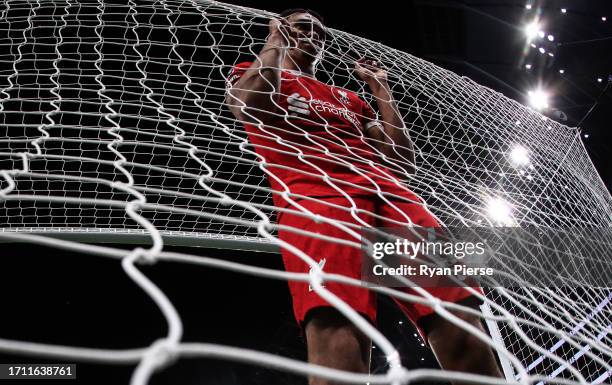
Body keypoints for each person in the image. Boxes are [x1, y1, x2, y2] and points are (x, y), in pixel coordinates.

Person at [226, 8, 502, 385]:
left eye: (320, 31)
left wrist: (380, 88)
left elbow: (402, 161)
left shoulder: (350, 98)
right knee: (340, 319)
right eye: (303, 27)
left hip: (391, 194)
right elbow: (247, 106)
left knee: (456, 307)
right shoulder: (257, 70)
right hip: (318, 195)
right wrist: (275, 42)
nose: (315, 35)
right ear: (282, 29)